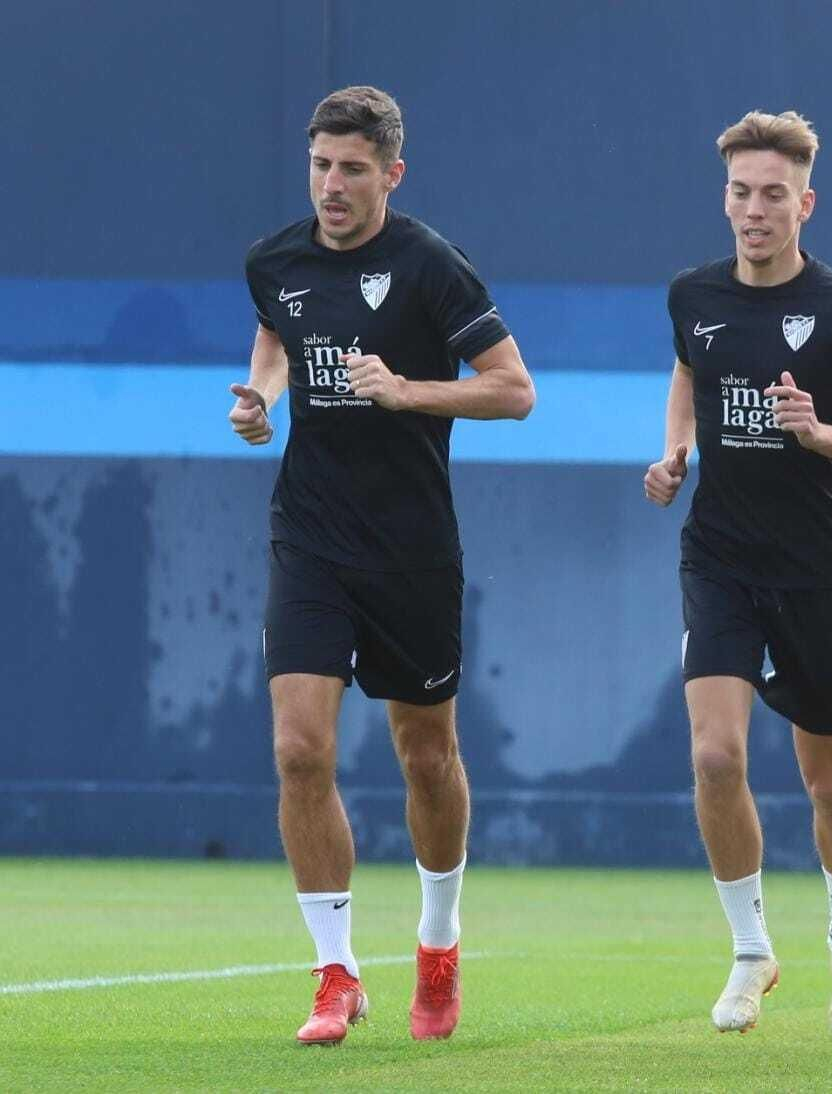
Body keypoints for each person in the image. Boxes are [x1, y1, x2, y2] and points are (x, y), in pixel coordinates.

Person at [229, 85, 534, 1045]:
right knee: (298, 750)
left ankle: (437, 949)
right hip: (310, 536)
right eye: (321, 165)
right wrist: (262, 396)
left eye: (353, 168)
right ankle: (336, 974)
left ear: (390, 175)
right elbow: (280, 330)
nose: (332, 184)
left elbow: (514, 392)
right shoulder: (274, 259)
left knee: (427, 756)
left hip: (411, 551)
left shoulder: (432, 267)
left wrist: (408, 392)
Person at [643, 109, 832, 1048]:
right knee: (715, 757)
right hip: (719, 559)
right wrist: (674, 451)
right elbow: (686, 373)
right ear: (726, 198)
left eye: (774, 196)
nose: (755, 211)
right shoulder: (693, 295)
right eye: (742, 193)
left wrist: (816, 431)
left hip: (815, 570)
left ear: (806, 204)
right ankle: (752, 950)